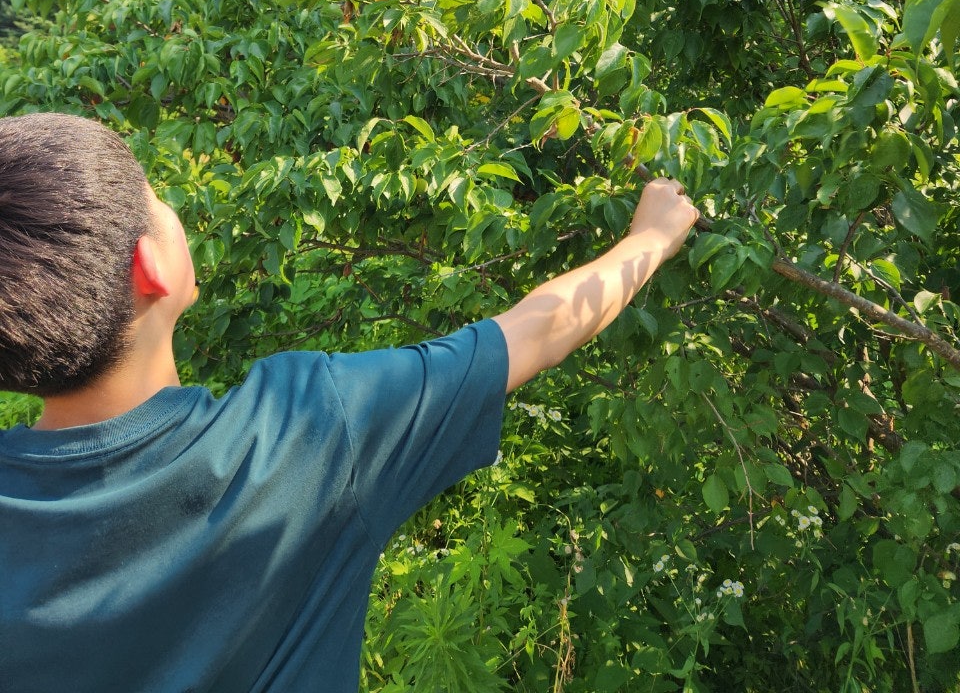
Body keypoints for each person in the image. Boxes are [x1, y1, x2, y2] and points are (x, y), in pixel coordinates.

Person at [0, 112, 697, 693]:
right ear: (149, 266)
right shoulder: (309, 432)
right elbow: (538, 330)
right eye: (157, 200)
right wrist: (652, 237)